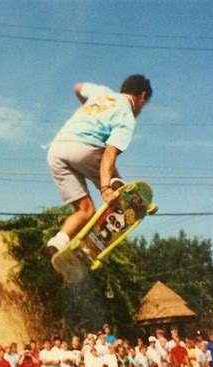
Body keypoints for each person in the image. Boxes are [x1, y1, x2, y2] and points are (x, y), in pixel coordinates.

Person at [46, 75, 152, 255]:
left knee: (86, 210)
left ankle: (56, 244)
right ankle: (116, 189)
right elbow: (109, 154)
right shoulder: (126, 115)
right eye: (144, 103)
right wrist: (105, 188)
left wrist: (89, 109)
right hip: (84, 148)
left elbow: (78, 86)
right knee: (116, 185)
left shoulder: (101, 92)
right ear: (142, 96)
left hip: (56, 150)